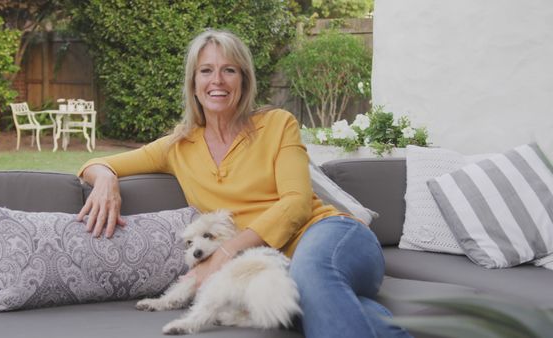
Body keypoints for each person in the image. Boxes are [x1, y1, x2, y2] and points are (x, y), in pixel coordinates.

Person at [77, 29, 410, 338]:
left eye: (229, 70)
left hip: (333, 236)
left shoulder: (277, 124)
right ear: (193, 82)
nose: (217, 80)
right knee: (286, 302)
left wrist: (224, 253)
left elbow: (296, 202)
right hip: (275, 269)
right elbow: (94, 163)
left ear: (244, 80)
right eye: (206, 70)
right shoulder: (176, 146)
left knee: (309, 275)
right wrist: (105, 178)